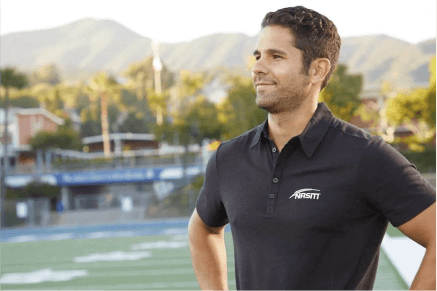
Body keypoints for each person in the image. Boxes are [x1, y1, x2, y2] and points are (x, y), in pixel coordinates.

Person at [188, 6, 436, 291]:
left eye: (276, 56)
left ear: (317, 70)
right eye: (258, 56)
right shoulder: (228, 159)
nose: (257, 67)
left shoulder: (365, 156)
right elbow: (202, 227)